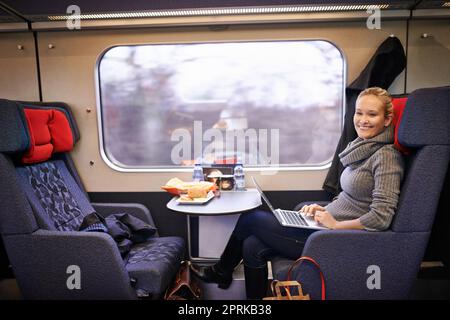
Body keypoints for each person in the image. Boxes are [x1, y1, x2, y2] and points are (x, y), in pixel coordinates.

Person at [191, 87, 405, 299]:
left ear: (387, 120)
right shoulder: (362, 149)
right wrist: (324, 209)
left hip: (336, 238)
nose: (363, 120)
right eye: (359, 113)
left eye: (372, 114)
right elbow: (351, 198)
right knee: (251, 246)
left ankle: (220, 271)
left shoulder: (386, 156)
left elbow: (381, 216)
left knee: (251, 219)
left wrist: (335, 224)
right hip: (325, 227)